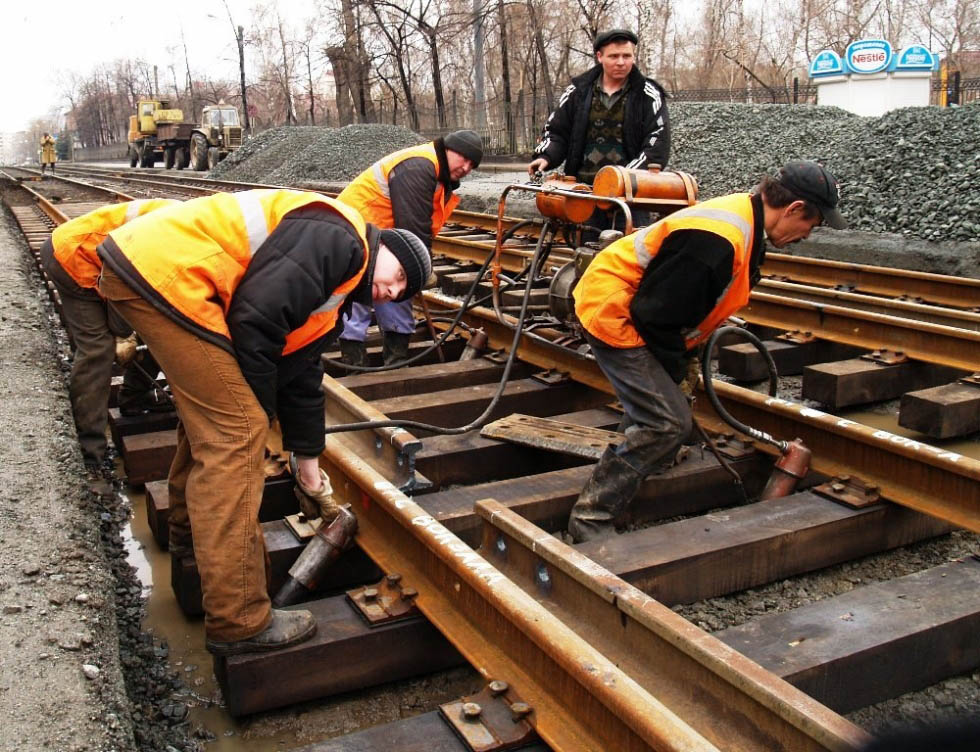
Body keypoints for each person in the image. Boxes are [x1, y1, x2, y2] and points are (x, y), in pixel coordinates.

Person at [94, 189, 430, 655]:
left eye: (399, 294)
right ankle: (240, 621)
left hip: (153, 271)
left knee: (219, 420)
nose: (391, 292)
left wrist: (309, 473)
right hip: (168, 275)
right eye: (398, 278)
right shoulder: (344, 241)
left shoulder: (334, 290)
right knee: (236, 432)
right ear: (387, 247)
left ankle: (190, 540)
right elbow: (256, 321)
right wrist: (250, 419)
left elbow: (302, 377)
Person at [568, 161, 847, 542]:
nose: (807, 235)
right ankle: (591, 517)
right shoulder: (718, 239)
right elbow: (652, 315)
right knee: (667, 422)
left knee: (659, 408)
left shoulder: (746, 219)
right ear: (795, 208)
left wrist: (681, 359)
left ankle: (643, 458)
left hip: (637, 308)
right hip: (613, 311)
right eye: (811, 226)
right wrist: (676, 366)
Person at [39, 199, 180, 494]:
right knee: (98, 350)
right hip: (71, 258)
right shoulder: (162, 238)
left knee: (163, 330)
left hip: (105, 262)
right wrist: (125, 335)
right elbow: (121, 289)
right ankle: (90, 452)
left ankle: (133, 399)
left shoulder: (187, 233)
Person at [336, 130, 483, 366]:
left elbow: (418, 225)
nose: (466, 167)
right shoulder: (419, 166)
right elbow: (413, 225)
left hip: (383, 237)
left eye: (472, 164)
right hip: (357, 233)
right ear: (446, 149)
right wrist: (423, 269)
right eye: (463, 158)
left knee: (398, 291)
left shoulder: (437, 173)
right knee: (359, 296)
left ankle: (395, 362)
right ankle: (354, 365)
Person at [528, 29, 670, 186]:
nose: (621, 62)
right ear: (599, 57)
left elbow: (657, 144)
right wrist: (545, 156)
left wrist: (624, 179)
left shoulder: (649, 95)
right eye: (614, 56)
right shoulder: (577, 92)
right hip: (581, 192)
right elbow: (557, 132)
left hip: (631, 196)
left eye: (627, 56)